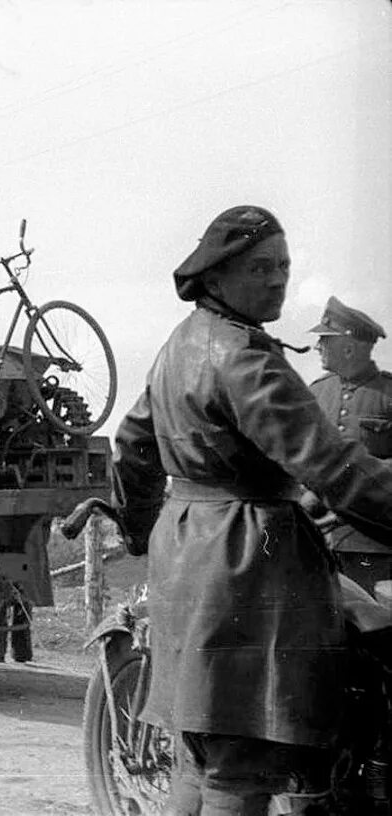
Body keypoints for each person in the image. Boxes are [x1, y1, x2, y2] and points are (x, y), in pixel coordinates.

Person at [112, 205, 392, 815]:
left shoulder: (181, 343)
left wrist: (143, 532)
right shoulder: (244, 357)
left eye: (284, 267)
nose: (277, 281)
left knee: (203, 751)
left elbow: (133, 444)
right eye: (261, 268)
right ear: (216, 277)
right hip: (246, 566)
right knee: (245, 761)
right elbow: (330, 465)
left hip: (187, 558)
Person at [303, 296, 392, 593]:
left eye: (324, 340)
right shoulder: (316, 393)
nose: (318, 347)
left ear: (349, 347)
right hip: (313, 535)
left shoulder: (388, 394)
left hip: (369, 542)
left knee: (371, 626)